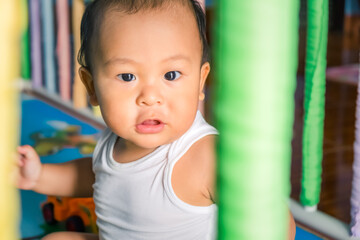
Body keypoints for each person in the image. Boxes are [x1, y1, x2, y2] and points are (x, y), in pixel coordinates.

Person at [17, 0, 296, 239]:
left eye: (171, 75)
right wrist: (39, 176)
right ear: (92, 87)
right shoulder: (112, 141)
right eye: (127, 77)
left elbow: (273, 221)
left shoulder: (203, 155)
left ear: (201, 80)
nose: (150, 97)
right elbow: (95, 176)